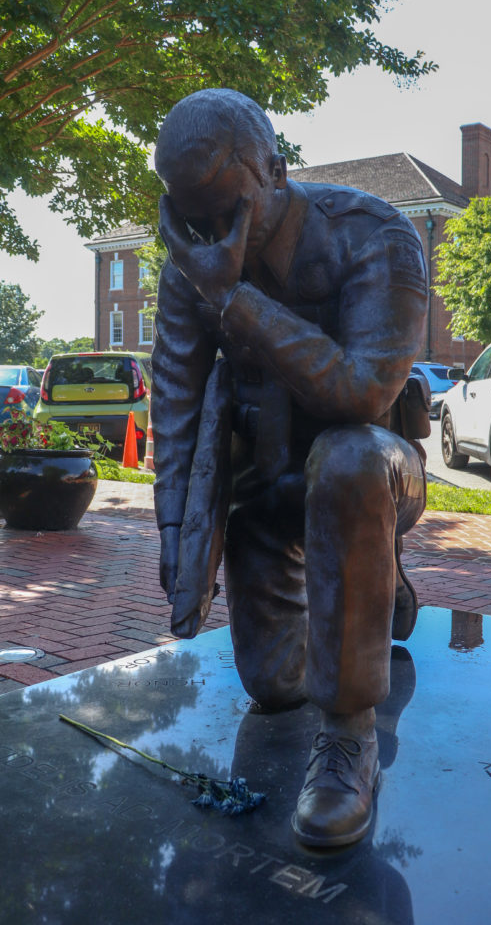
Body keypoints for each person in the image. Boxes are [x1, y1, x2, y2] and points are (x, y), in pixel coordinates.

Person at [152, 88, 428, 848]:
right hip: (269, 489)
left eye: (227, 210)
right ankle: (370, 582)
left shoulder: (377, 237)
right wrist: (178, 540)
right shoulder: (192, 264)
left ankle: (348, 741)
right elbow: (174, 404)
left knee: (345, 463)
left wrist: (234, 299)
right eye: (194, 219)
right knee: (275, 688)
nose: (212, 235)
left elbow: (365, 395)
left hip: (375, 466)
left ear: (274, 170)